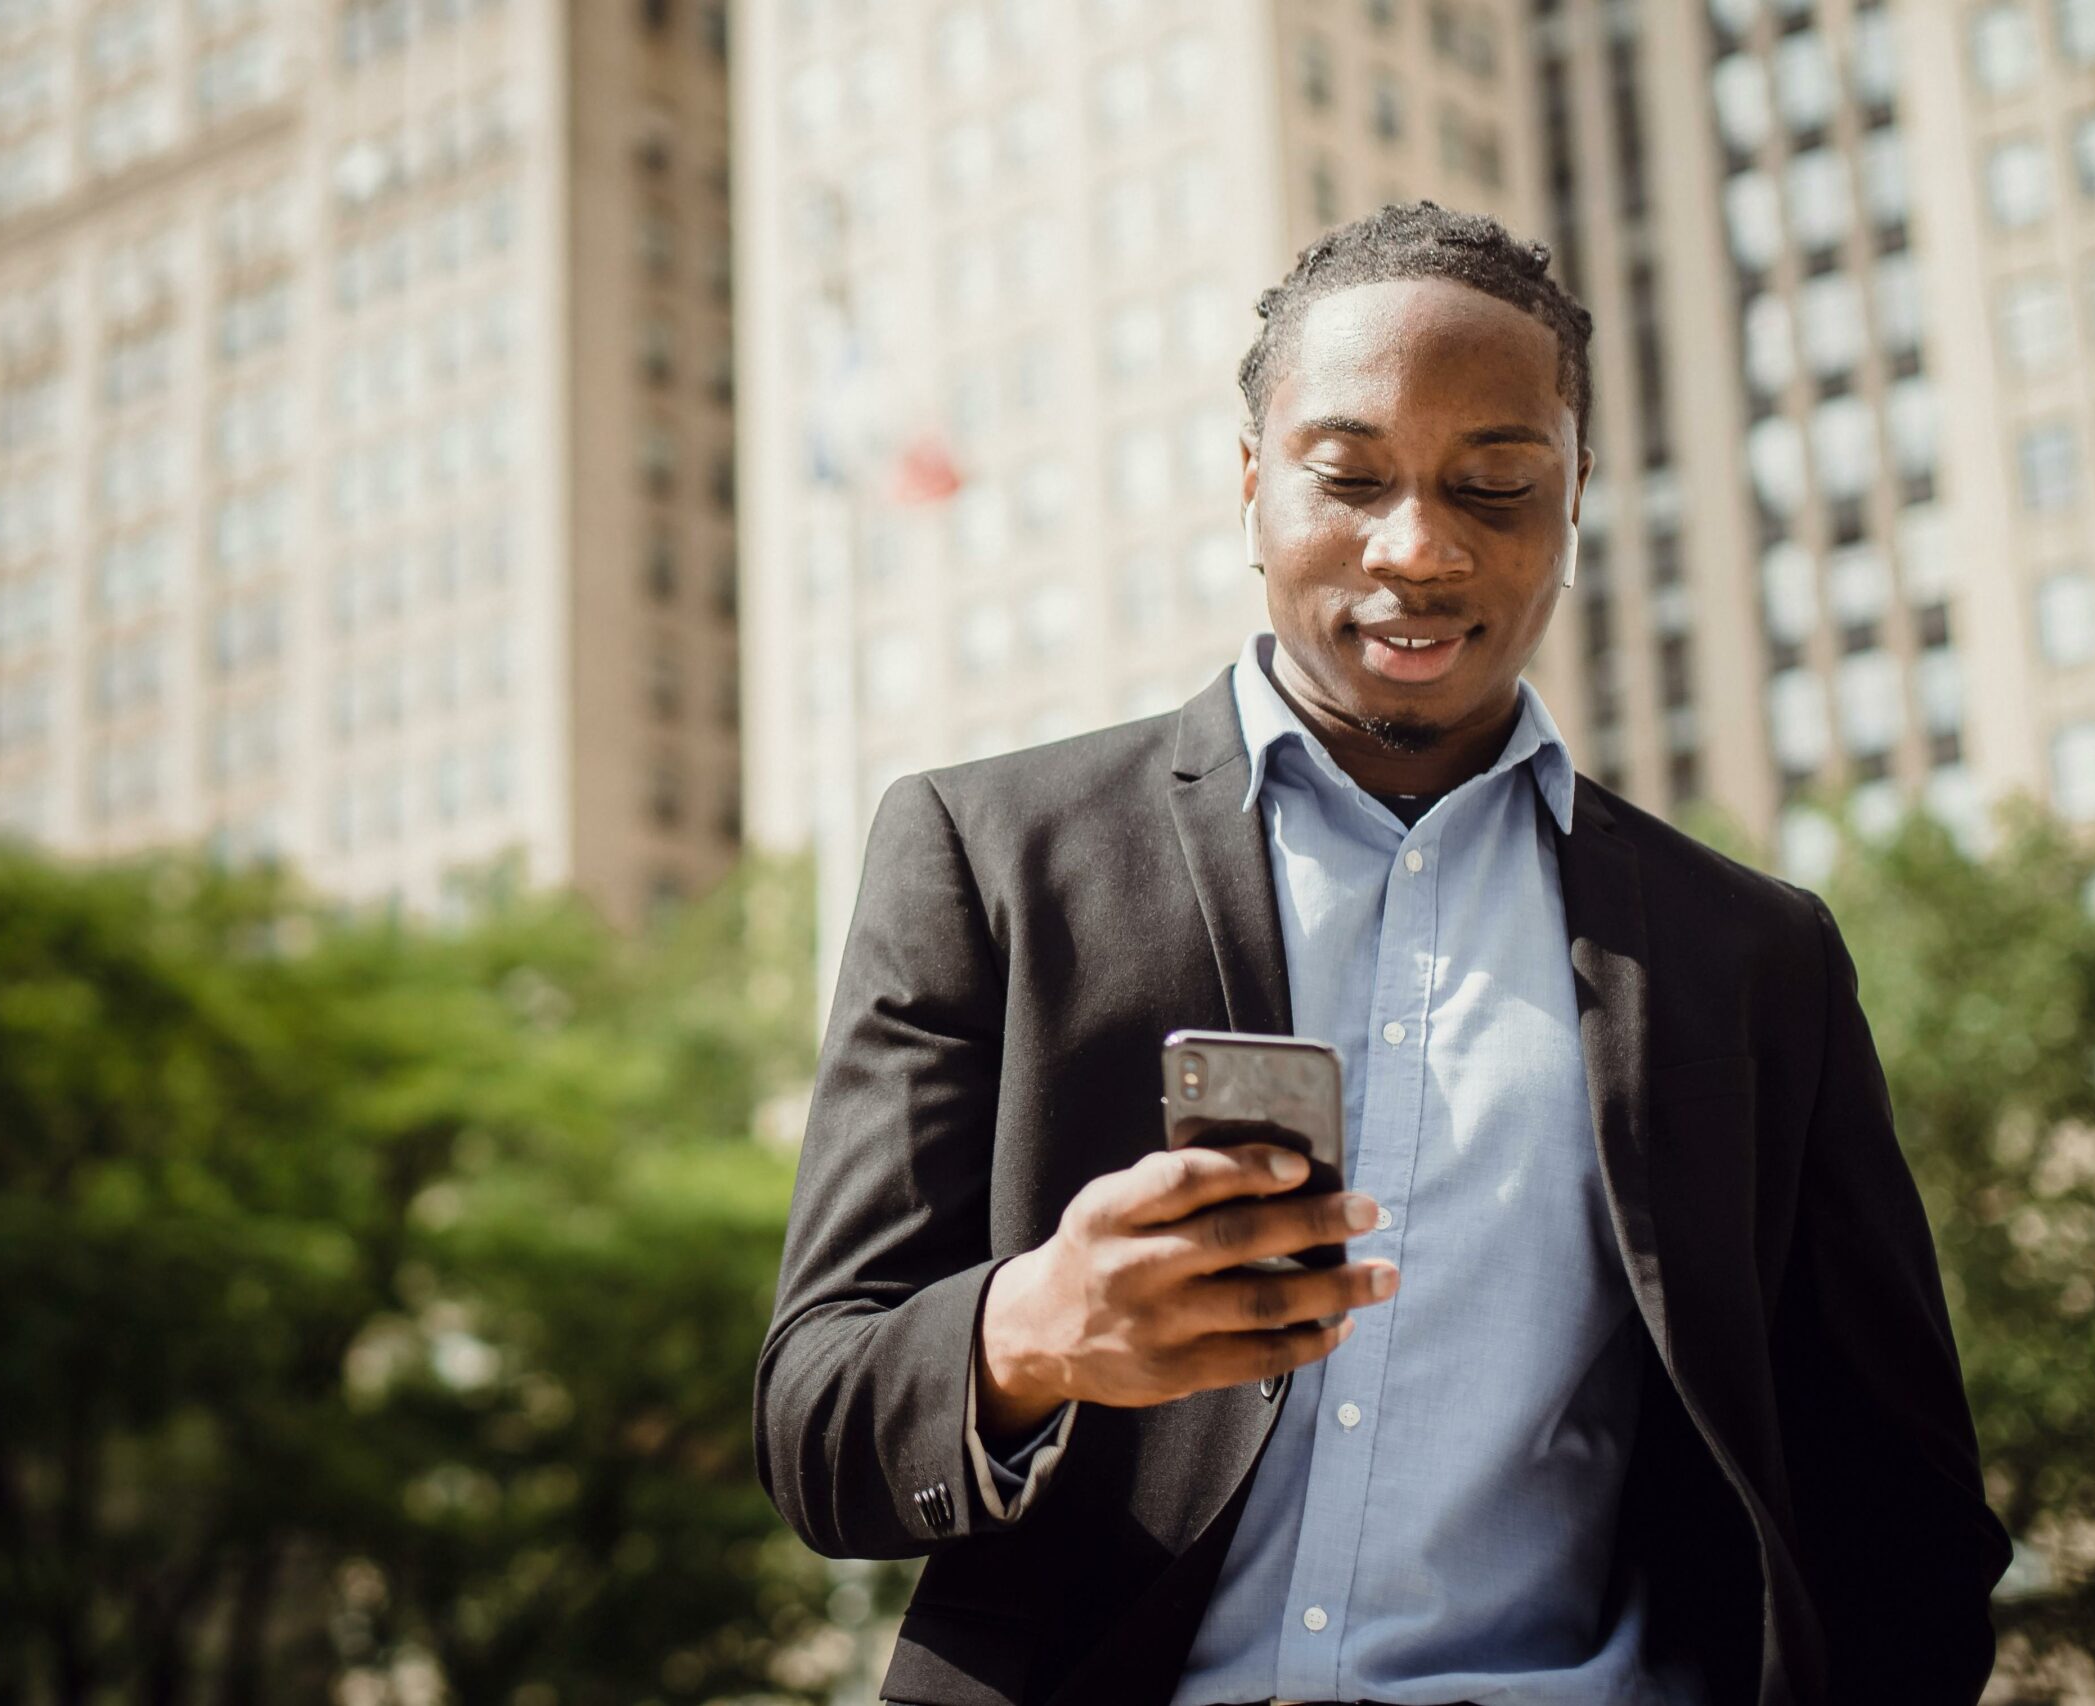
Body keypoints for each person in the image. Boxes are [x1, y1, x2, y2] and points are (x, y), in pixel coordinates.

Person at [753, 202, 2009, 1706]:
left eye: (1496, 485)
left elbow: (1900, 1515)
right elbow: (816, 1423)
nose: (1417, 547)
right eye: (1348, 478)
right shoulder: (987, 854)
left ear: (1576, 496)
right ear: (1252, 484)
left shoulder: (1753, 957)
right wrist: (1030, 1334)